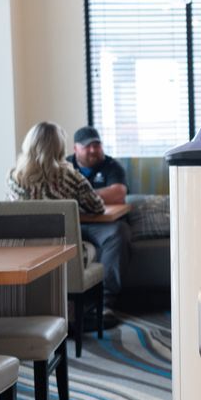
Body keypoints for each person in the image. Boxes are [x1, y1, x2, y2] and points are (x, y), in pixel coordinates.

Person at [65, 125, 132, 325]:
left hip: (104, 225)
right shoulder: (65, 166)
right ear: (75, 148)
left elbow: (118, 193)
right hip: (73, 224)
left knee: (119, 233)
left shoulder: (112, 166)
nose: (93, 150)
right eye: (87, 146)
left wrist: (81, 195)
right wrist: (97, 194)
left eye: (97, 145)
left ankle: (106, 302)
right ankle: (70, 303)